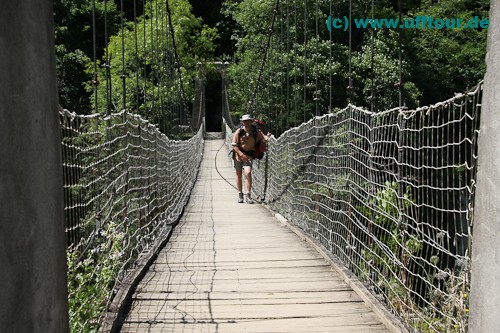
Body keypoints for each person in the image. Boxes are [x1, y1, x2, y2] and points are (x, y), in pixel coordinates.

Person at [231, 114, 269, 204]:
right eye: (244, 121)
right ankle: (240, 194)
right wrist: (241, 155)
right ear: (242, 122)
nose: (246, 123)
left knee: (248, 172)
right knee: (239, 174)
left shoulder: (256, 131)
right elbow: (234, 145)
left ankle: (248, 195)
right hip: (238, 156)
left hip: (248, 156)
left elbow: (264, 138)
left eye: (248, 121)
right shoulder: (239, 132)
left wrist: (268, 138)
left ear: (251, 121)